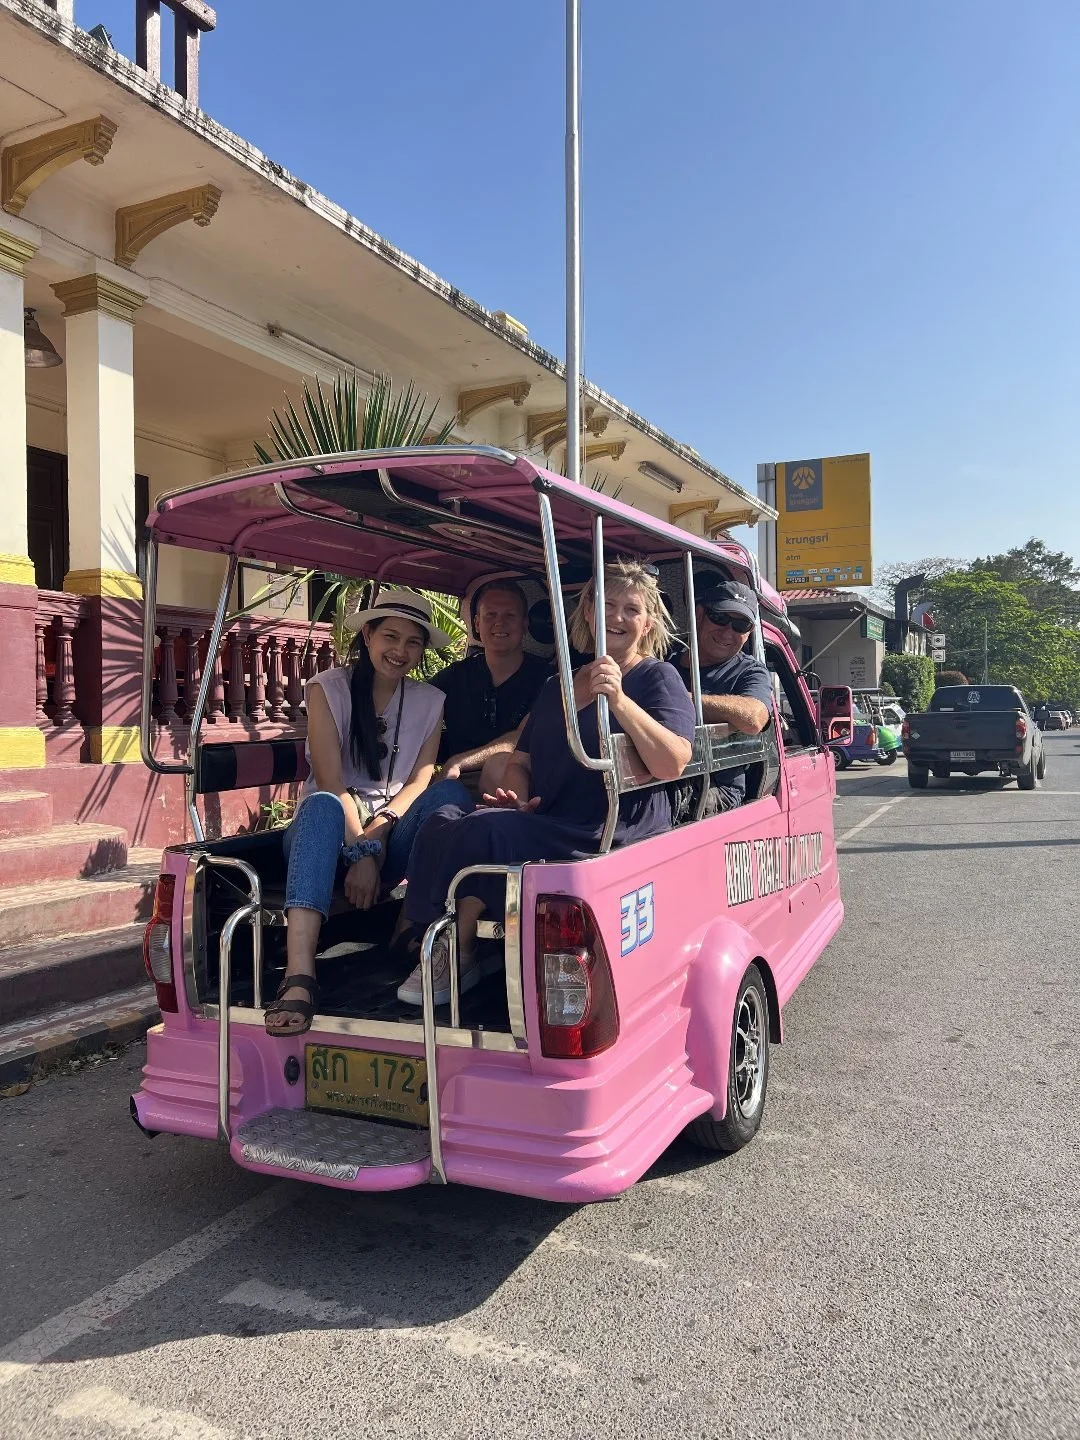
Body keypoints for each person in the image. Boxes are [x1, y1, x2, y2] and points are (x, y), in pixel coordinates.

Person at [395, 558, 696, 1006]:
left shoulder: (656, 677)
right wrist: (515, 796)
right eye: (607, 605)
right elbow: (521, 758)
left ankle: (449, 952)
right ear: (588, 614)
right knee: (442, 819)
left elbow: (674, 761)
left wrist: (617, 700)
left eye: (631, 610)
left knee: (486, 830)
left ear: (647, 622)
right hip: (552, 820)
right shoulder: (558, 684)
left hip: (609, 828)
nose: (617, 617)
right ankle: (450, 945)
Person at [265, 590, 472, 1037]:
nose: (400, 651)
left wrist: (376, 842)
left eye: (413, 642)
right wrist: (359, 849)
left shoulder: (430, 700)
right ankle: (299, 975)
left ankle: (415, 927)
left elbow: (419, 780)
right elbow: (329, 778)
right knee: (319, 803)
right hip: (326, 831)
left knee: (447, 792)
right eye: (390, 637)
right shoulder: (327, 688)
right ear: (368, 635)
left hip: (389, 831)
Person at [432, 579, 550, 795]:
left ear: (525, 625)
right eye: (490, 615)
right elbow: (413, 709)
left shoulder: (547, 679)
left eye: (510, 616)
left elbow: (522, 737)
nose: (499, 623)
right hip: (453, 784)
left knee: (500, 764)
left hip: (518, 784)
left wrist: (458, 762)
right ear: (477, 624)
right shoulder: (455, 676)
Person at [675, 580, 773, 814]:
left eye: (740, 624)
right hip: (650, 772)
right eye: (719, 617)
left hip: (715, 788)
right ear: (700, 614)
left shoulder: (751, 672)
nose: (728, 631)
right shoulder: (660, 660)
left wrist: (673, 700)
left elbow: (754, 717)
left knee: (665, 801)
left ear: (749, 632)